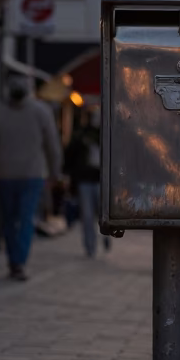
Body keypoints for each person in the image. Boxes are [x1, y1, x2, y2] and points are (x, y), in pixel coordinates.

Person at [0, 73, 62, 281]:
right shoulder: (42, 112)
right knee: (25, 219)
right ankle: (19, 262)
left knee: (8, 219)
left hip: (3, 174)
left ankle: (13, 259)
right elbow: (52, 145)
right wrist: (55, 172)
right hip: (32, 175)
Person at [63, 109, 110, 258]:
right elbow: (71, 156)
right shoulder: (81, 136)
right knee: (88, 215)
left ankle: (106, 237)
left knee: (104, 214)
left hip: (100, 181)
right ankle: (90, 245)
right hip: (85, 180)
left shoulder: (106, 134)